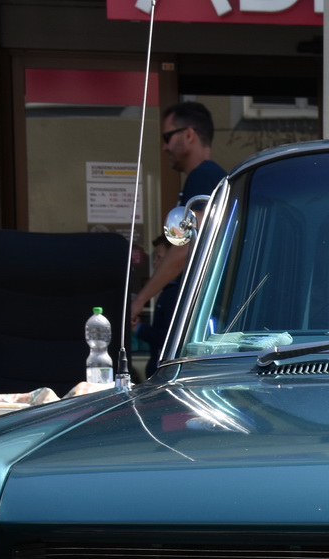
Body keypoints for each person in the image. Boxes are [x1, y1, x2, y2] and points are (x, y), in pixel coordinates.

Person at [130, 101, 227, 373]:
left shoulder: (204, 176)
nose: (164, 147)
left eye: (167, 137)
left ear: (189, 134)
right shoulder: (211, 177)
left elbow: (186, 248)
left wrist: (139, 301)